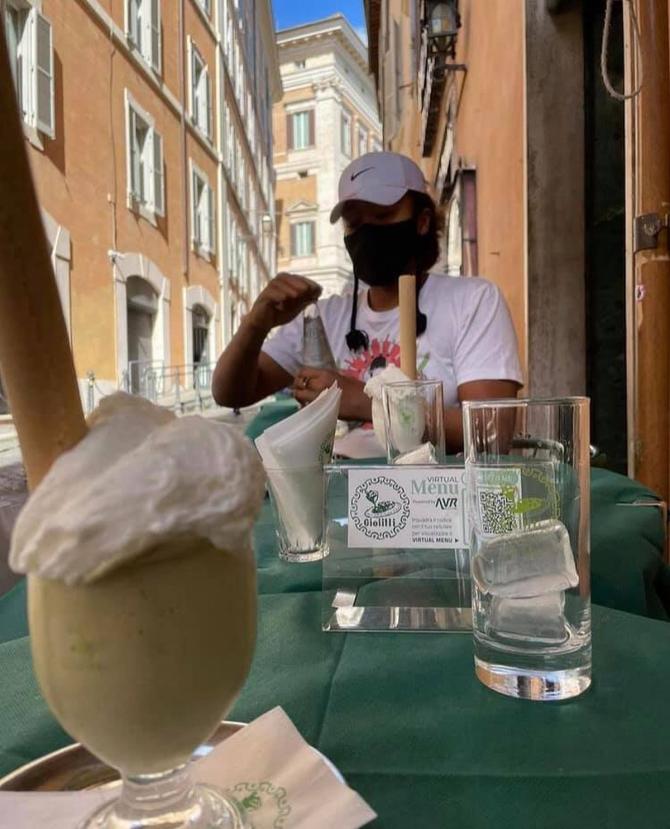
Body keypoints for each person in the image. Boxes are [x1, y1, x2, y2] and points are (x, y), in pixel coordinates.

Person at [212, 151, 522, 453]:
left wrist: (365, 401)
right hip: (338, 491)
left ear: (422, 221)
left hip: (434, 494)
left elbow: (491, 431)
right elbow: (230, 393)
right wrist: (256, 323)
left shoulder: (473, 302)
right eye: (354, 223)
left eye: (383, 216)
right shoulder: (325, 316)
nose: (368, 233)